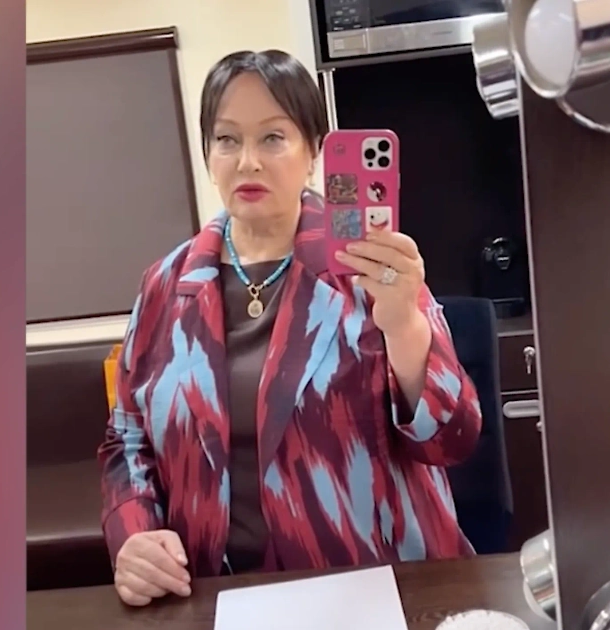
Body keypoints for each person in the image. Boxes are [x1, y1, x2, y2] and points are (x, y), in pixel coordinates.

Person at [98, 49, 483, 608]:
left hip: (376, 589)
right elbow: (126, 437)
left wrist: (404, 326)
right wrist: (133, 533)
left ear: (313, 152)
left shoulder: (369, 266)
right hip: (214, 595)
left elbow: (453, 438)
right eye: (227, 139)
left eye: (273, 137)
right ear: (207, 154)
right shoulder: (166, 285)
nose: (247, 161)